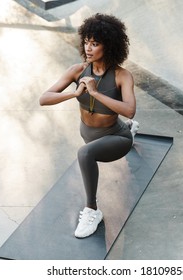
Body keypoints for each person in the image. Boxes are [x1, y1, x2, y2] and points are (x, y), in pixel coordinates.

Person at [39, 13, 139, 238]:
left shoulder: (122, 76)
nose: (88, 48)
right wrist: (74, 93)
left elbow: (129, 110)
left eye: (95, 43)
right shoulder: (78, 70)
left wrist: (94, 92)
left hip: (116, 138)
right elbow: (44, 98)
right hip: (89, 133)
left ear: (109, 45)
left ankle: (92, 210)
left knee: (85, 153)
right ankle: (131, 128)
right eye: (86, 42)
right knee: (89, 147)